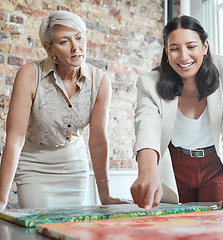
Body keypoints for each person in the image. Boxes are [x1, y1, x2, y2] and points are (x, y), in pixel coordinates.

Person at [0, 10, 129, 209]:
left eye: (79, 38)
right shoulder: (29, 75)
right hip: (35, 165)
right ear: (49, 48)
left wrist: (105, 196)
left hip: (73, 166)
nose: (76, 48)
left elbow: (97, 141)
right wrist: (1, 199)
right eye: (64, 42)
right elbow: (15, 139)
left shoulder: (100, 81)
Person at [131, 15, 223, 210]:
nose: (184, 56)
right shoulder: (149, 83)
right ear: (166, 52)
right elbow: (146, 127)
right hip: (176, 166)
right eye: (174, 49)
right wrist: (147, 172)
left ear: (205, 47)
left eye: (191, 46)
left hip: (215, 166)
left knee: (220, 226)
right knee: (179, 229)